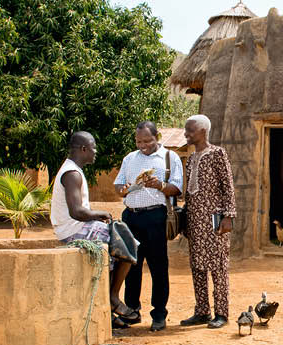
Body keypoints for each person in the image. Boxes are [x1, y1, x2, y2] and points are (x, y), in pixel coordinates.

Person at [50, 131, 139, 329]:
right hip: (73, 229)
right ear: (83, 149)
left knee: (125, 242)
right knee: (125, 244)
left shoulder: (74, 170)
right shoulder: (71, 174)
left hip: (79, 226)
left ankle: (110, 301)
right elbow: (76, 211)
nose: (95, 152)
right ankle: (112, 298)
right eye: (93, 148)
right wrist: (101, 213)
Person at [112, 121, 183, 332]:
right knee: (130, 266)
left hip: (155, 217)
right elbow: (118, 185)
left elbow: (177, 188)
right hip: (131, 217)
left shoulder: (170, 158)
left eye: (147, 140)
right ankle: (132, 310)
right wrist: (123, 189)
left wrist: (160, 185)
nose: (142, 145)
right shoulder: (130, 159)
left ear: (157, 137)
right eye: (139, 141)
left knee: (158, 267)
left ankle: (159, 314)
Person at [179, 115, 236, 329]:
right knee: (197, 266)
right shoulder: (192, 159)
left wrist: (229, 216)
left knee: (218, 265)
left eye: (190, 130)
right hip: (195, 220)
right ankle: (202, 310)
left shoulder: (217, 154)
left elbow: (228, 186)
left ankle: (221, 312)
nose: (186, 134)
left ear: (203, 131)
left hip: (215, 219)